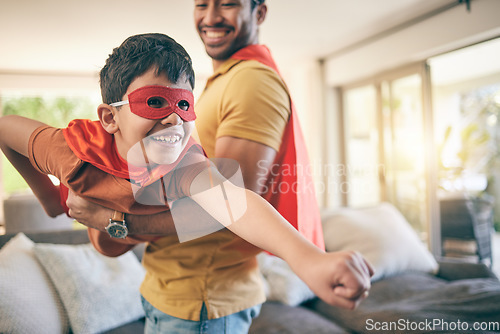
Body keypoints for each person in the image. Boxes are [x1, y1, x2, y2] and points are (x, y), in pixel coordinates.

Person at [64, 1, 374, 333]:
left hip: (203, 299)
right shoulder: (214, 84)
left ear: (259, 13)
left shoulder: (250, 80)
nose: (210, 16)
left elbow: (225, 205)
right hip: (170, 289)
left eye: (227, 3)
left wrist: (114, 221)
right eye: (202, 4)